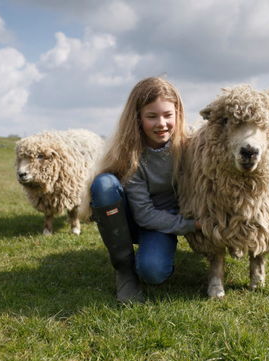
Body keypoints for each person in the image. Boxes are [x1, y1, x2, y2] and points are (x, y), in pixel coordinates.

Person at [90, 77, 200, 303]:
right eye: (152, 116)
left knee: (153, 272)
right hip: (132, 217)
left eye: (168, 115)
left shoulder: (191, 145)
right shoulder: (130, 153)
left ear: (178, 114)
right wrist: (191, 226)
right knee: (103, 185)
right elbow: (143, 214)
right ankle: (124, 271)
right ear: (138, 118)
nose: (161, 123)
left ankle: (154, 255)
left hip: (164, 220)